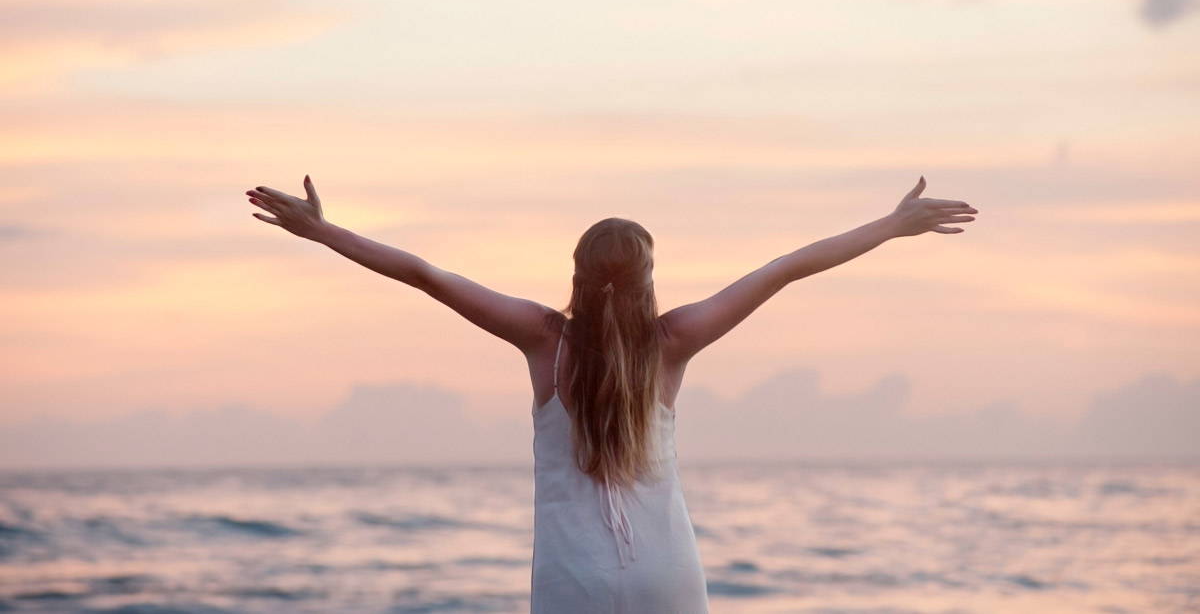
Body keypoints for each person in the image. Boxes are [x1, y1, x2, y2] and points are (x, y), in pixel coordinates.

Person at [245, 175, 978, 612]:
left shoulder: (541, 338)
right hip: (666, 570)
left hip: (573, 578)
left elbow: (425, 273)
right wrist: (891, 225)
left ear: (578, 270)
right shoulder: (675, 339)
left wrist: (322, 231)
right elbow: (786, 267)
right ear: (648, 276)